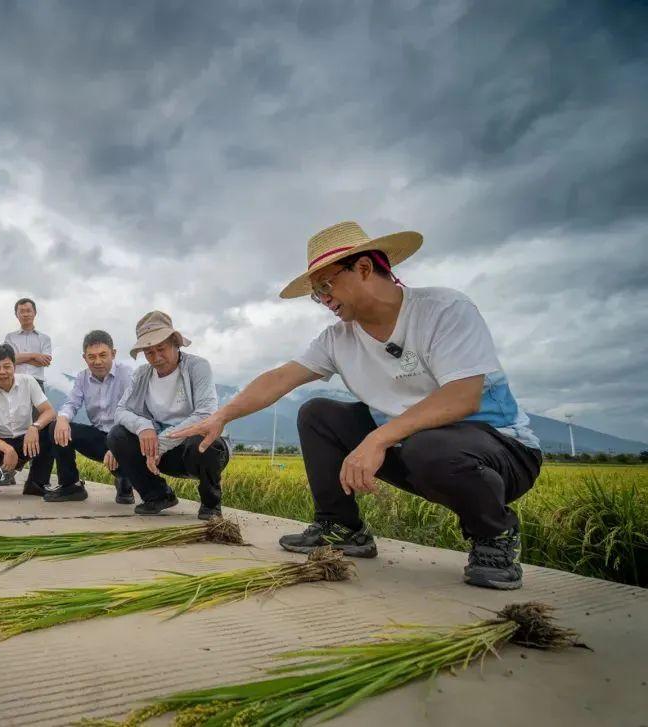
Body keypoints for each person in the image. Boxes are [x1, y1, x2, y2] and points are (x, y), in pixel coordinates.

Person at [173, 221, 543, 590]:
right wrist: (221, 415)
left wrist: (377, 439)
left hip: (499, 452)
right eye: (316, 294)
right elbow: (281, 378)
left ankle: (494, 536)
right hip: (410, 447)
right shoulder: (338, 338)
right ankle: (342, 528)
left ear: (364, 268)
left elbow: (463, 395)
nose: (324, 300)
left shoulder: (444, 309)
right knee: (317, 413)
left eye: (326, 286)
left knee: (429, 445)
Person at [108, 311, 229, 520]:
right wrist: (143, 426)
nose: (156, 358)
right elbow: (120, 411)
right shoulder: (142, 374)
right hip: (158, 454)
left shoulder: (197, 367)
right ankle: (157, 495)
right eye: (149, 352)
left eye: (161, 349)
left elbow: (205, 414)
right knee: (116, 436)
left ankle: (211, 504)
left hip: (193, 451)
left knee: (206, 440)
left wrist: (161, 443)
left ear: (175, 342)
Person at [51, 330, 135, 504]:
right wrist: (62, 419)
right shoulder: (82, 378)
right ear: (85, 358)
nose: (97, 361)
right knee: (56, 427)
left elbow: (135, 412)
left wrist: (117, 446)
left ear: (113, 353)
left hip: (125, 436)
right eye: (92, 357)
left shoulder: (127, 374)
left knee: (123, 449)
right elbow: (71, 403)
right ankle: (70, 486)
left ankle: (125, 481)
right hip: (99, 437)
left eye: (103, 355)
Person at [0, 344, 56, 496]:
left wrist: (35, 427)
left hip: (25, 441)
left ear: (14, 366)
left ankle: (36, 484)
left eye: (7, 366)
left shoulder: (28, 382)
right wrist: (6, 448)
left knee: (51, 429)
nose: (2, 372)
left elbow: (49, 411)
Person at [4, 298, 52, 390]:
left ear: (35, 313)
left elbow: (45, 361)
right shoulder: (10, 337)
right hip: (15, 383)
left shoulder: (45, 338)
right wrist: (35, 355)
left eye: (29, 311)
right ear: (16, 315)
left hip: (37, 383)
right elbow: (8, 361)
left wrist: (19, 358)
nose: (25, 314)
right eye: (21, 311)